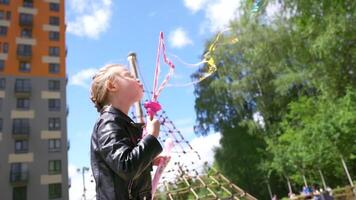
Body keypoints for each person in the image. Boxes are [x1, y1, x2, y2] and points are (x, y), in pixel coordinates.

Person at [90, 64, 163, 200]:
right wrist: (151, 137)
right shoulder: (108, 122)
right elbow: (126, 166)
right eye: (129, 75)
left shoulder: (120, 123)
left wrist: (147, 161)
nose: (138, 79)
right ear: (112, 86)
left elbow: (122, 168)